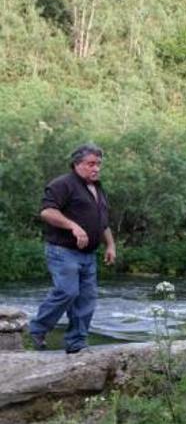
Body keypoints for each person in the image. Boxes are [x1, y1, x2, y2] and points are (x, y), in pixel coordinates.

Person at [29, 144, 116, 354]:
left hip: (88, 255)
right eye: (91, 164)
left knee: (87, 299)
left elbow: (101, 222)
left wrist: (111, 245)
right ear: (77, 164)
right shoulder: (63, 184)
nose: (96, 169)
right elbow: (47, 212)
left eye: (99, 164)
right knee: (67, 292)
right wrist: (73, 226)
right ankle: (37, 329)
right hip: (63, 250)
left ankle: (76, 344)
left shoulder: (98, 188)